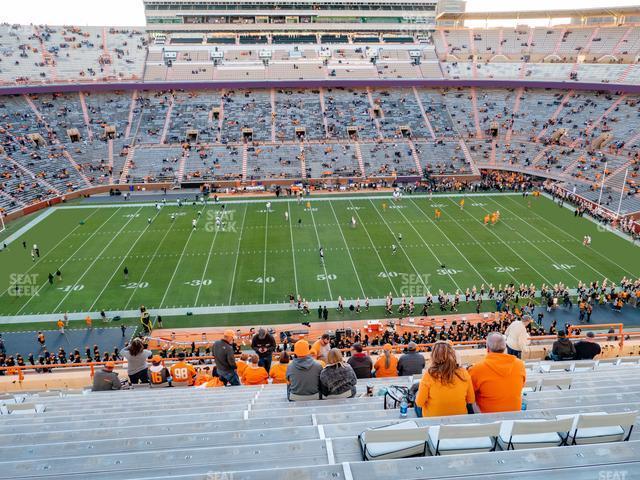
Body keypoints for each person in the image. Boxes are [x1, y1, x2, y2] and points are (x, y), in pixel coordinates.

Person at [469, 332, 526, 413]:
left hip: (487, 418)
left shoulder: (476, 369)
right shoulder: (520, 364)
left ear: (487, 348)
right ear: (505, 347)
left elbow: (470, 396)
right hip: (514, 414)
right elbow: (521, 386)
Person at [415, 341, 475, 417]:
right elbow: (471, 400)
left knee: (416, 401)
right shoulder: (463, 372)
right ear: (452, 354)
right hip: (459, 418)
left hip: (433, 421)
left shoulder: (429, 374)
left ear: (433, 356)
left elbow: (419, 403)